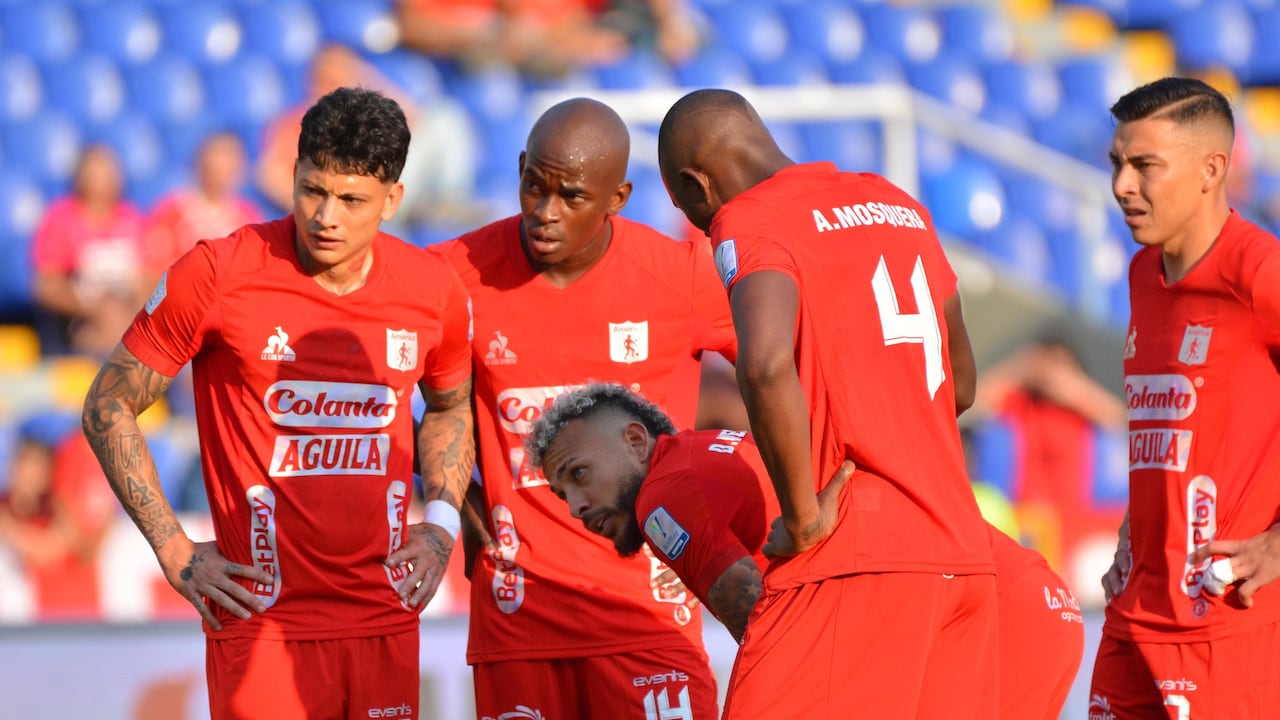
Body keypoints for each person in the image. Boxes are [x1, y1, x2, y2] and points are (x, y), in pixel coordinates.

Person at [80, 87, 476, 719]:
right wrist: (175, 550)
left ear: (393, 201)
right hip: (259, 620)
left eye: (351, 201)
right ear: (291, 175)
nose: (327, 217)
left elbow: (453, 407)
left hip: (383, 619)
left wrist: (441, 527)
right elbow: (107, 405)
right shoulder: (218, 272)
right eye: (313, 190)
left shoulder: (433, 291)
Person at [657, 88, 997, 719]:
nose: (705, 230)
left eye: (692, 212)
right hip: (962, 554)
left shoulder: (751, 218)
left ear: (695, 184)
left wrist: (803, 515)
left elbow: (762, 364)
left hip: (854, 560)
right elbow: (963, 384)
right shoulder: (898, 203)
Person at [432, 96, 735, 720]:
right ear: (519, 168)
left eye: (570, 197)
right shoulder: (451, 276)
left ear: (616, 198)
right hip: (521, 624)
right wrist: (453, 494)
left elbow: (784, 363)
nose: (544, 213)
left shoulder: (682, 278)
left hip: (648, 619)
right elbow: (371, 380)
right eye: (533, 186)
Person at [527, 382, 1084, 718]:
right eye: (562, 492)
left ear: (634, 439)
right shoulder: (703, 454)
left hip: (964, 606)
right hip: (1019, 596)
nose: (575, 505)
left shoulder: (662, 498)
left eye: (579, 474)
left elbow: (763, 631)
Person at [1092, 77, 1280, 718]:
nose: (1122, 185)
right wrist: (1133, 525)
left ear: (1211, 170)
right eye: (1117, 163)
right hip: (1132, 616)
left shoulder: (1258, 273)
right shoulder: (1143, 273)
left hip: (1225, 627)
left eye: (1145, 166)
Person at [256, 43, 477, 228]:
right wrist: (317, 206)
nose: (331, 87)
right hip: (350, 206)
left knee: (444, 117)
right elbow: (269, 176)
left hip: (384, 190)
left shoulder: (364, 119)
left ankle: (447, 199)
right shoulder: (295, 123)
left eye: (340, 78)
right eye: (325, 79)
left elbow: (412, 118)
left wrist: (364, 78)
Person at [30, 143, 149, 356]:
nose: (103, 180)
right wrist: (94, 310)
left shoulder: (132, 219)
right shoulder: (61, 220)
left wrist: (134, 311)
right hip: (80, 322)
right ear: (80, 178)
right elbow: (46, 286)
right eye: (95, 173)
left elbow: (148, 277)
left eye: (108, 172)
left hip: (128, 316)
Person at [144, 131, 263, 274]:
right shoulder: (172, 212)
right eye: (216, 158)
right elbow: (154, 269)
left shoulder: (248, 217)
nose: (221, 167)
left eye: (229, 158)